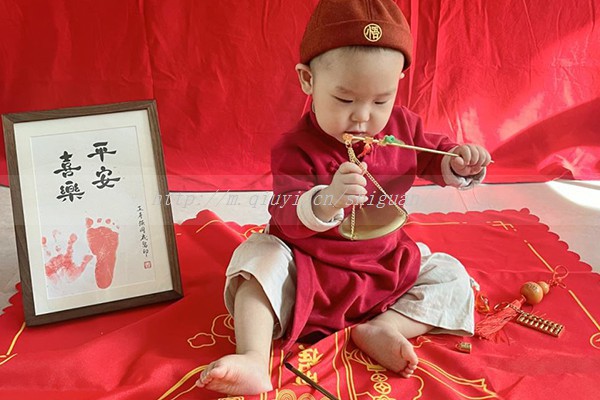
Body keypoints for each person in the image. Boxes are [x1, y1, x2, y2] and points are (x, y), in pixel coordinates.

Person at [197, 0, 492, 395]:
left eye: (380, 101)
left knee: (452, 275)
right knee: (255, 259)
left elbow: (432, 157)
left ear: (399, 84)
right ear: (307, 80)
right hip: (311, 271)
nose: (363, 118)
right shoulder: (295, 147)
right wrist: (327, 200)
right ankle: (252, 356)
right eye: (345, 100)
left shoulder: (402, 127)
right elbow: (285, 215)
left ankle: (384, 327)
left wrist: (459, 163)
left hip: (386, 265)